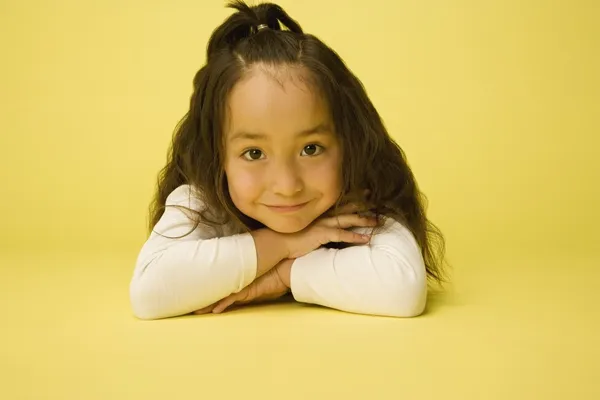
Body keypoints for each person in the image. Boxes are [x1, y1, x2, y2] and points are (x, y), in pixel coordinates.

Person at [129, 0, 446, 320]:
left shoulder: (357, 200)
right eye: (254, 154)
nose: (287, 185)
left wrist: (283, 276)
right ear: (216, 157)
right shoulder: (202, 201)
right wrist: (284, 243)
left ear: (350, 144)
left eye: (311, 149)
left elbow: (402, 291)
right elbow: (149, 294)